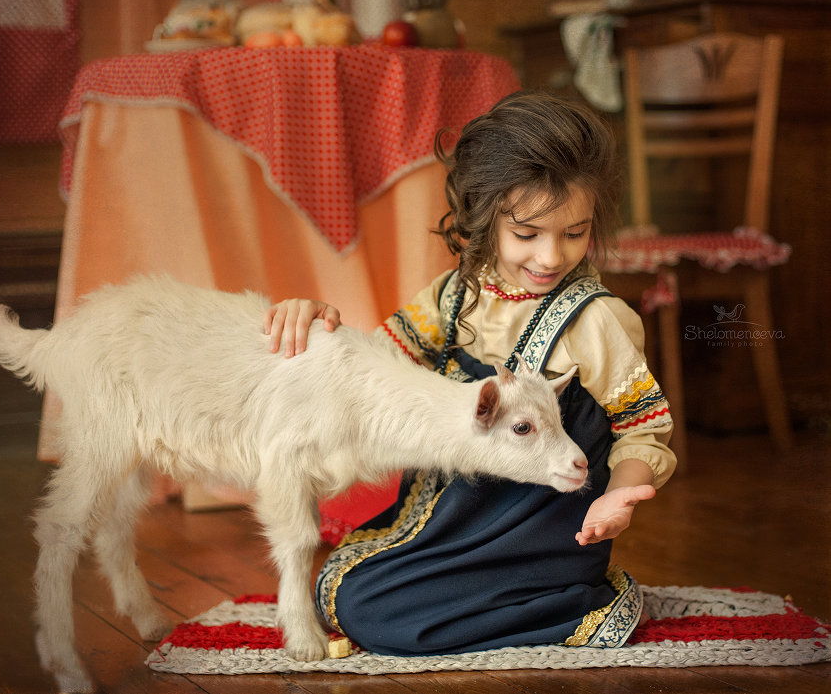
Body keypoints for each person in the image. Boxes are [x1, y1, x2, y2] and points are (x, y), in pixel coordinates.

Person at [263, 91, 676, 655]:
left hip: (537, 530)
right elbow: (378, 370)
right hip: (455, 516)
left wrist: (618, 497)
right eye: (528, 235)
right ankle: (455, 589)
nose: (552, 257)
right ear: (483, 217)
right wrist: (319, 325)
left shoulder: (599, 320)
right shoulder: (455, 296)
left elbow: (641, 426)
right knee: (341, 592)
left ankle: (575, 601)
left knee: (379, 616)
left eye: (573, 233)